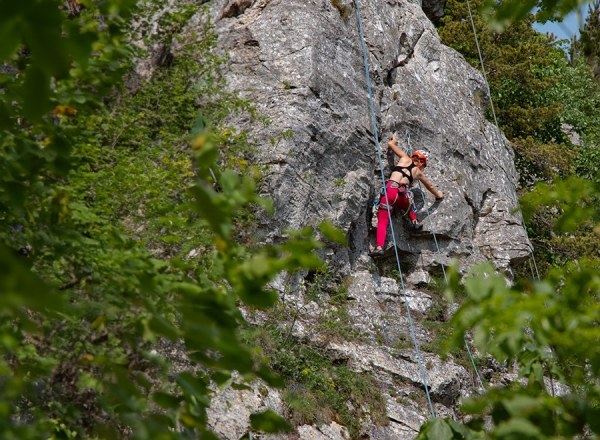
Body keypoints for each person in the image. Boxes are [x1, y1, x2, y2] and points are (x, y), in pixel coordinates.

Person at [369, 134, 444, 257]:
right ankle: (414, 221)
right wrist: (439, 195)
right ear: (422, 163)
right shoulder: (418, 173)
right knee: (410, 198)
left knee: (383, 222)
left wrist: (394, 140)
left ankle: (379, 247)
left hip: (389, 193)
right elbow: (430, 187)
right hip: (402, 196)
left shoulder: (404, 157)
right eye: (424, 165)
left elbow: (390, 145)